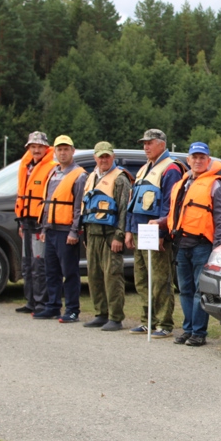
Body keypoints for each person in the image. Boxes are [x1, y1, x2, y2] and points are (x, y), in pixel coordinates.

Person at [166, 142, 221, 346]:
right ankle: (187, 330)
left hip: (202, 245)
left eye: (202, 157)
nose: (197, 160)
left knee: (199, 290)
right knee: (185, 289)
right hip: (181, 245)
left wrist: (218, 248)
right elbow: (174, 214)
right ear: (188, 160)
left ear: (208, 161)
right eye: (194, 157)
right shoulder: (182, 184)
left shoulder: (215, 184)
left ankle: (199, 332)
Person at [124, 129, 184, 338]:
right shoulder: (144, 170)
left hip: (155, 232)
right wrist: (129, 230)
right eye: (144, 143)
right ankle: (146, 320)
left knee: (160, 278)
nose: (146, 147)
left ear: (161, 144)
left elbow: (170, 205)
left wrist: (162, 233)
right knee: (141, 278)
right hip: (139, 230)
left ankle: (164, 323)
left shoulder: (170, 169)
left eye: (150, 143)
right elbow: (133, 203)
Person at [33, 135, 87, 322]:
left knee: (70, 272)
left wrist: (74, 231)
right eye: (59, 149)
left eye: (66, 149)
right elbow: (47, 204)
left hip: (66, 232)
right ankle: (53, 306)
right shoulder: (53, 173)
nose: (63, 153)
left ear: (73, 151)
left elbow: (79, 206)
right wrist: (44, 229)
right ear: (54, 152)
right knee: (51, 271)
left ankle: (72, 309)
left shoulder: (79, 175)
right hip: (51, 229)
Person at [81, 141, 131, 331]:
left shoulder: (120, 179)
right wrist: (85, 235)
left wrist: (119, 236)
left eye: (107, 156)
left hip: (110, 235)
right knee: (94, 276)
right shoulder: (92, 176)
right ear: (95, 157)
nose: (104, 160)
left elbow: (124, 209)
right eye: (100, 156)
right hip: (92, 234)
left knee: (113, 276)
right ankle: (100, 313)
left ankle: (115, 317)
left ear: (112, 157)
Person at [15, 131, 57, 315]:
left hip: (41, 221)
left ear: (46, 148)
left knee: (39, 263)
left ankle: (42, 303)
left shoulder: (51, 167)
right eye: (33, 146)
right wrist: (20, 223)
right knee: (27, 263)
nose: (36, 149)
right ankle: (31, 301)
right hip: (26, 220)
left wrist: (46, 224)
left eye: (40, 146)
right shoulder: (26, 167)